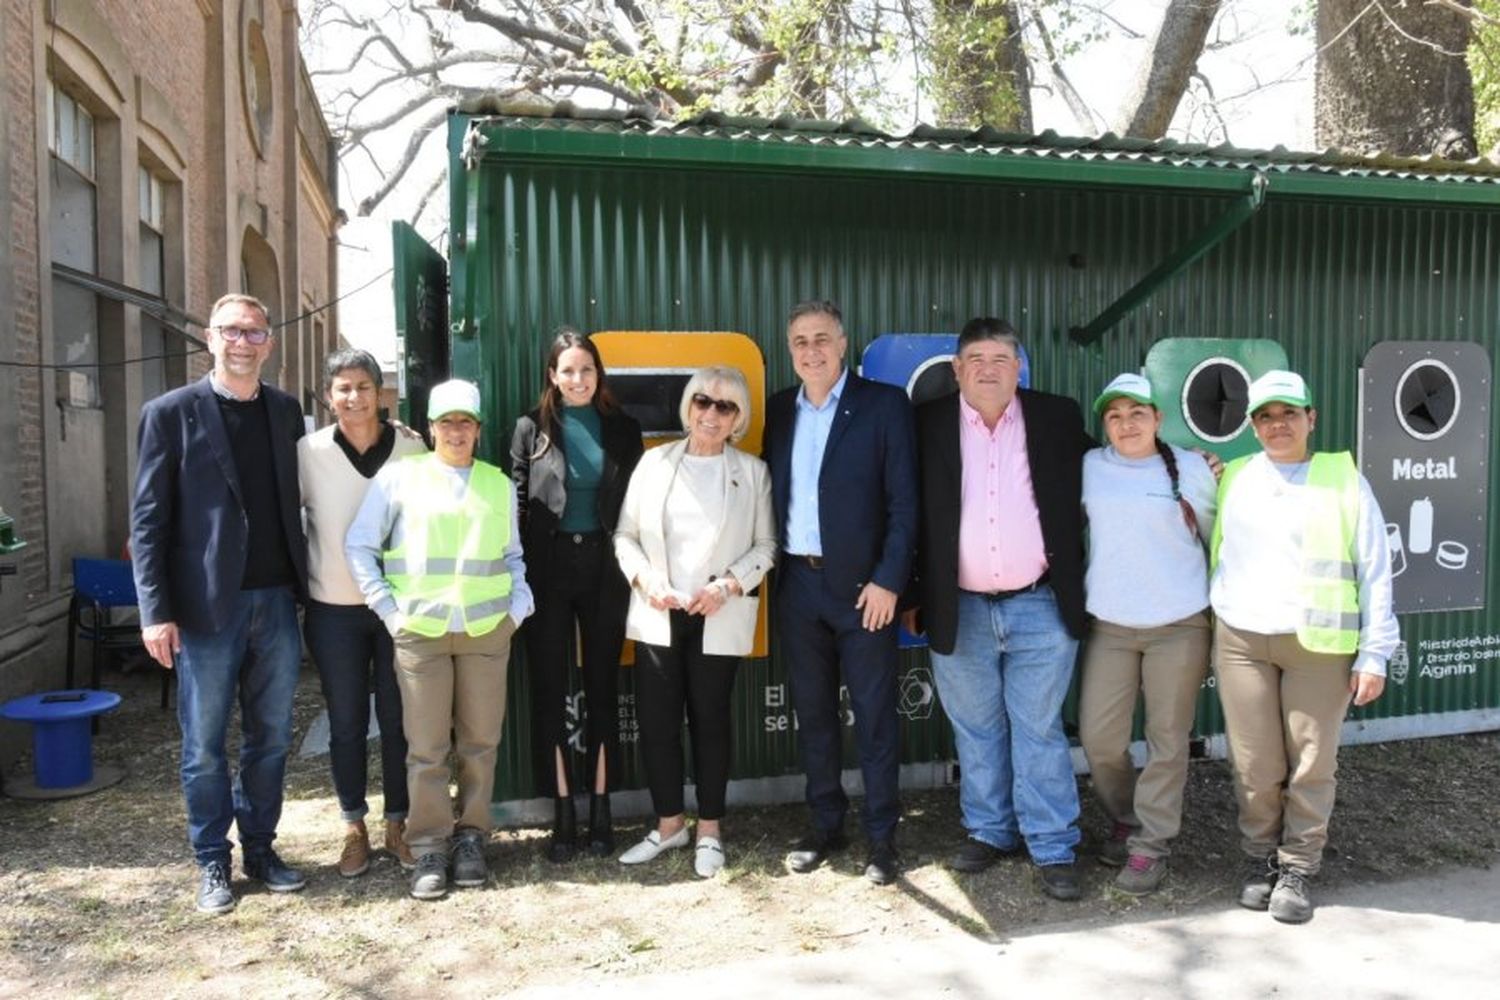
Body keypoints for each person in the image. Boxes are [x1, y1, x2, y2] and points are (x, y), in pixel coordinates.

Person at [131, 292, 309, 914]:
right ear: (209, 338)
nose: (242, 342)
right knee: (203, 743)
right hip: (206, 609)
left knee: (270, 737)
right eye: (232, 331)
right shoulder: (169, 413)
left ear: (269, 343)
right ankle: (212, 859)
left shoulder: (287, 413)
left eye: (255, 333)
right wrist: (154, 609)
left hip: (277, 602)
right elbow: (148, 519)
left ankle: (260, 846)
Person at [903, 317, 1092, 901]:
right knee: (976, 729)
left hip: (1039, 603)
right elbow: (909, 514)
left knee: (1037, 729)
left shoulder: (1057, 417)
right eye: (975, 359)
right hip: (958, 604)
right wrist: (913, 592)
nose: (987, 369)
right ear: (957, 369)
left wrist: (1183, 463)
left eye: (1001, 358)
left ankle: (1053, 844)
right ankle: (990, 830)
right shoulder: (925, 424)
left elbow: (1115, 465)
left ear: (1019, 368)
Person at [1210, 369, 1397, 924]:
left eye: (1289, 413)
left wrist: (1375, 651)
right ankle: (1261, 858)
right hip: (1242, 638)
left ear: (1310, 418)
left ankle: (1297, 866)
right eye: (1265, 416)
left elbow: (1376, 570)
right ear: (1252, 425)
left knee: (1311, 761)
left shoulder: (1342, 478)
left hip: (1317, 642)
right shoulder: (1235, 475)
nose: (1277, 425)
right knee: (1255, 762)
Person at [345, 379, 534, 900]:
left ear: (477, 429)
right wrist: (388, 609)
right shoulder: (399, 478)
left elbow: (514, 556)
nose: (456, 431)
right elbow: (360, 545)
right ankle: (429, 846)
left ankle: (471, 838)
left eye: (465, 422)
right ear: (430, 428)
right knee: (426, 749)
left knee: (480, 744)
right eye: (446, 422)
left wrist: (518, 609)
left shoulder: (496, 484)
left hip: (485, 631)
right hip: (421, 633)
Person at [764, 300, 917, 885]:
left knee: (876, 718)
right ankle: (826, 825)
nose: (811, 350)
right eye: (800, 341)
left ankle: (882, 840)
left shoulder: (883, 405)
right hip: (799, 584)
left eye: (821, 338)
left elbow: (905, 505)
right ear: (791, 350)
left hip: (864, 590)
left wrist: (888, 581)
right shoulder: (781, 410)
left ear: (843, 343)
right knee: (814, 714)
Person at [613, 367, 776, 878]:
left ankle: (709, 829)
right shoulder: (653, 463)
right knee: (658, 724)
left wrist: (728, 584)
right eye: (703, 401)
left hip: (718, 614)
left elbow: (767, 546)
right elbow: (625, 536)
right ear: (688, 406)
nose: (711, 413)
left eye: (725, 407)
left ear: (738, 419)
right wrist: (646, 582)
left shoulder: (752, 473)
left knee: (710, 724)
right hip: (661, 613)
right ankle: (669, 825)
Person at [1077, 373, 1217, 896]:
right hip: (1111, 624)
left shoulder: (1194, 468)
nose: (1126, 423)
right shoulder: (1090, 467)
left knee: (1166, 740)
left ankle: (1151, 846)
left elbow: (1220, 537)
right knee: (1100, 737)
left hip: (1178, 624)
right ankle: (1126, 817)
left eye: (1138, 412)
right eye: (1114, 415)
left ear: (1159, 419)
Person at [510, 329, 643, 863]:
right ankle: (563, 814)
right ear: (552, 375)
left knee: (604, 686)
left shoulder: (623, 429)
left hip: (606, 569)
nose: (578, 379)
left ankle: (602, 811)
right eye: (567, 370)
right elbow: (517, 506)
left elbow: (637, 505)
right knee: (549, 689)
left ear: (598, 373)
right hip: (548, 571)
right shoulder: (529, 429)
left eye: (586, 369)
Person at [298, 348, 426, 877]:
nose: (353, 397)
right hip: (334, 609)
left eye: (363, 387)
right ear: (329, 398)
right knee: (347, 721)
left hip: (396, 608)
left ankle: (399, 821)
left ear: (381, 394)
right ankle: (354, 826)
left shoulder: (413, 449)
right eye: (343, 388)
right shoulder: (307, 452)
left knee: (401, 720)